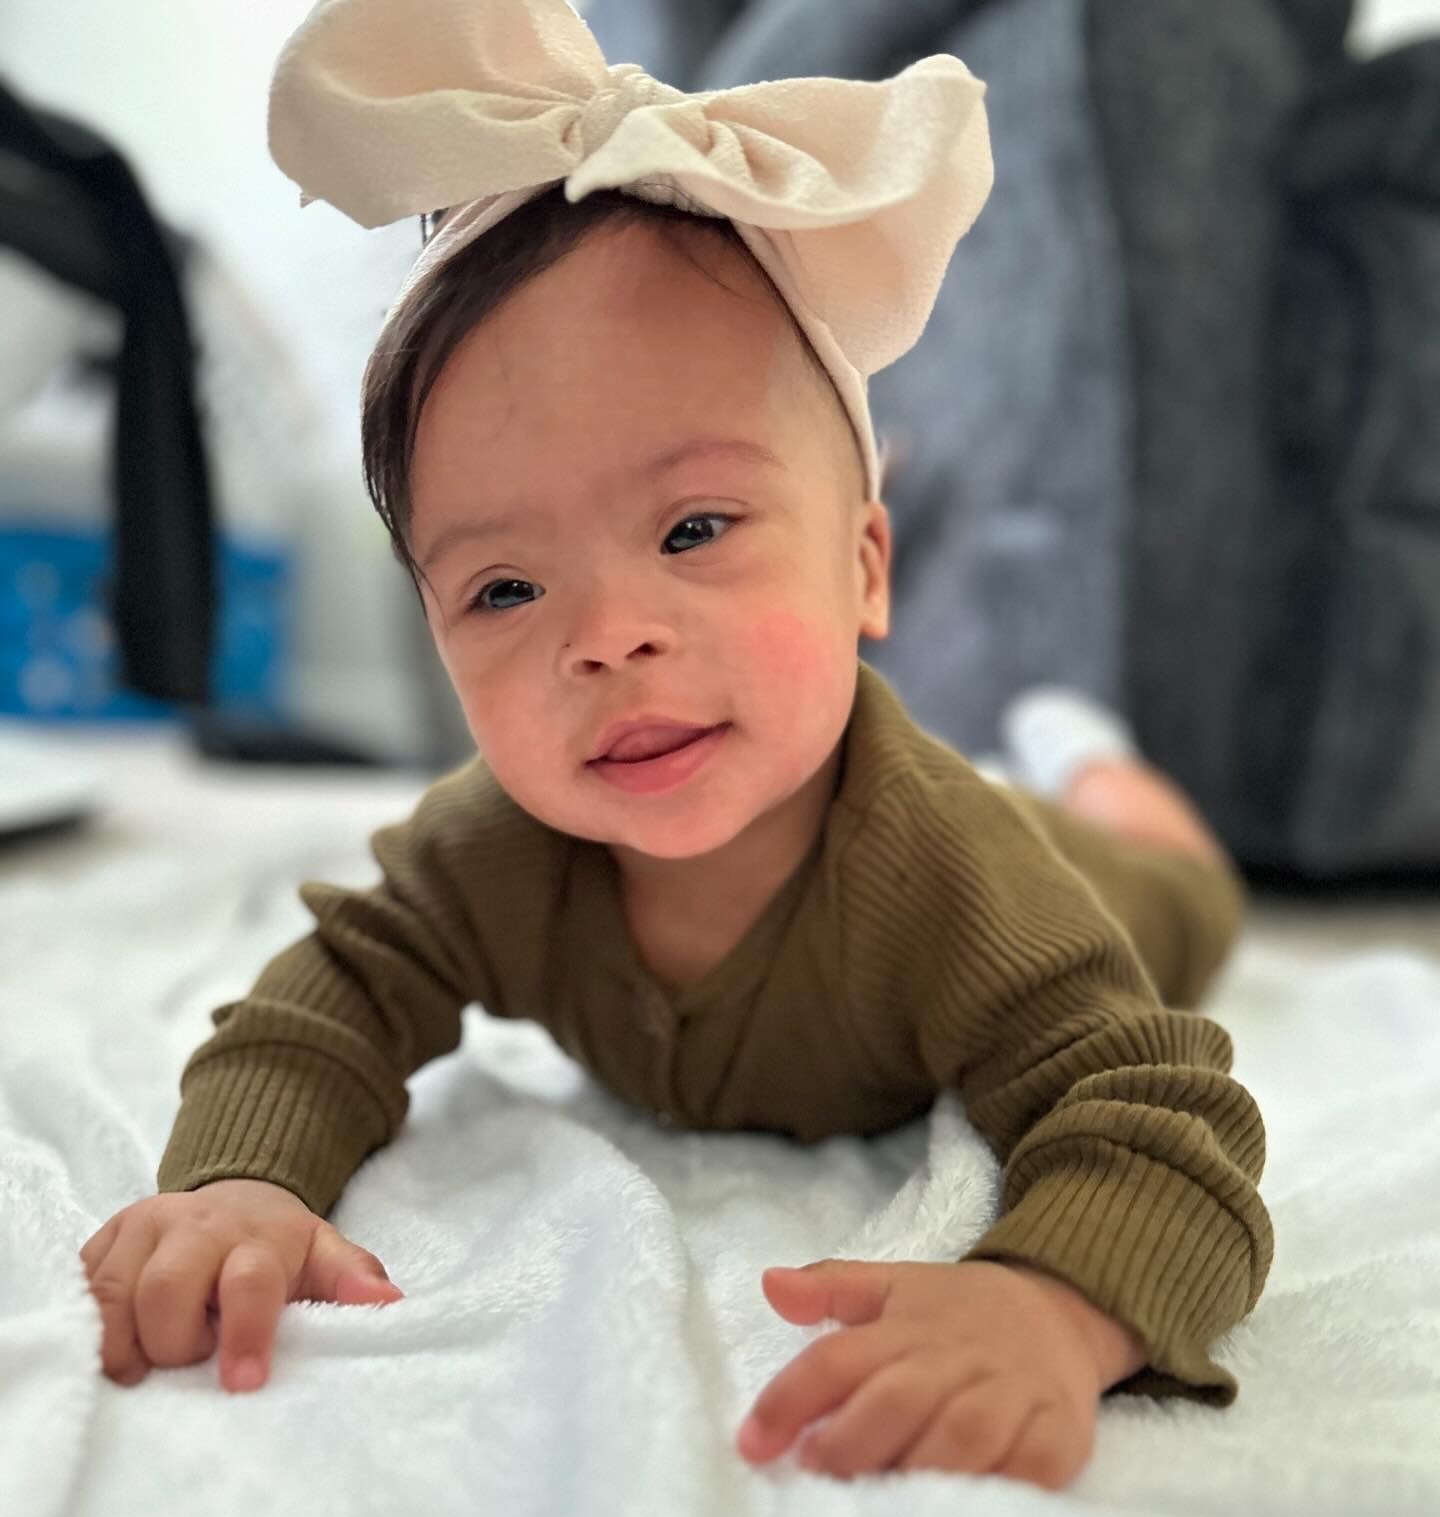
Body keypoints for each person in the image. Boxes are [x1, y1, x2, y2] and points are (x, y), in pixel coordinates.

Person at [78, 0, 1272, 1492]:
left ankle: (1094, 765)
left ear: (865, 566)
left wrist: (1048, 1302)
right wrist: (243, 1179)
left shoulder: (950, 880)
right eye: (504, 587)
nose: (608, 635)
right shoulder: (493, 849)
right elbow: (327, 1001)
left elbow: (1167, 1117)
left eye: (694, 528)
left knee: (1180, 888)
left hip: (1096, 872)